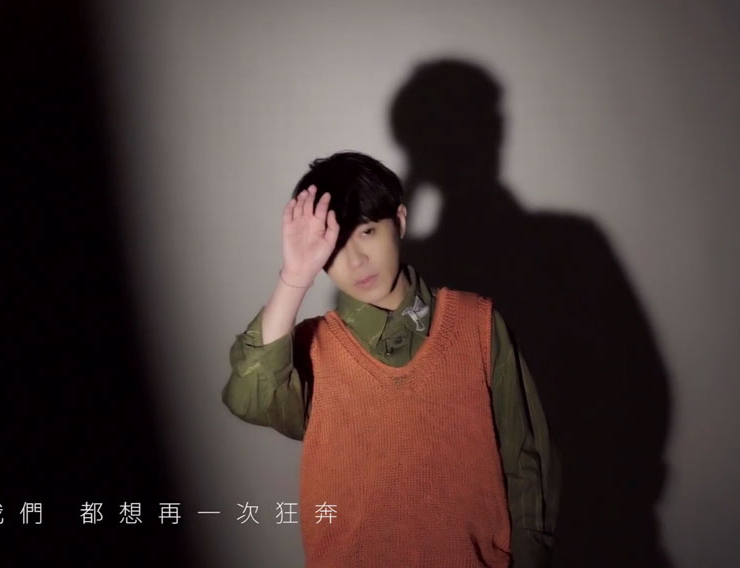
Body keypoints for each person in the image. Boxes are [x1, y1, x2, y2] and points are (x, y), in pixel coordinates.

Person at [223, 151, 560, 567]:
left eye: (367, 231)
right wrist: (295, 276)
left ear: (399, 221)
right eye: (335, 246)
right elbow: (250, 397)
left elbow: (527, 466)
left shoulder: (478, 323)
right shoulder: (311, 349)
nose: (356, 261)